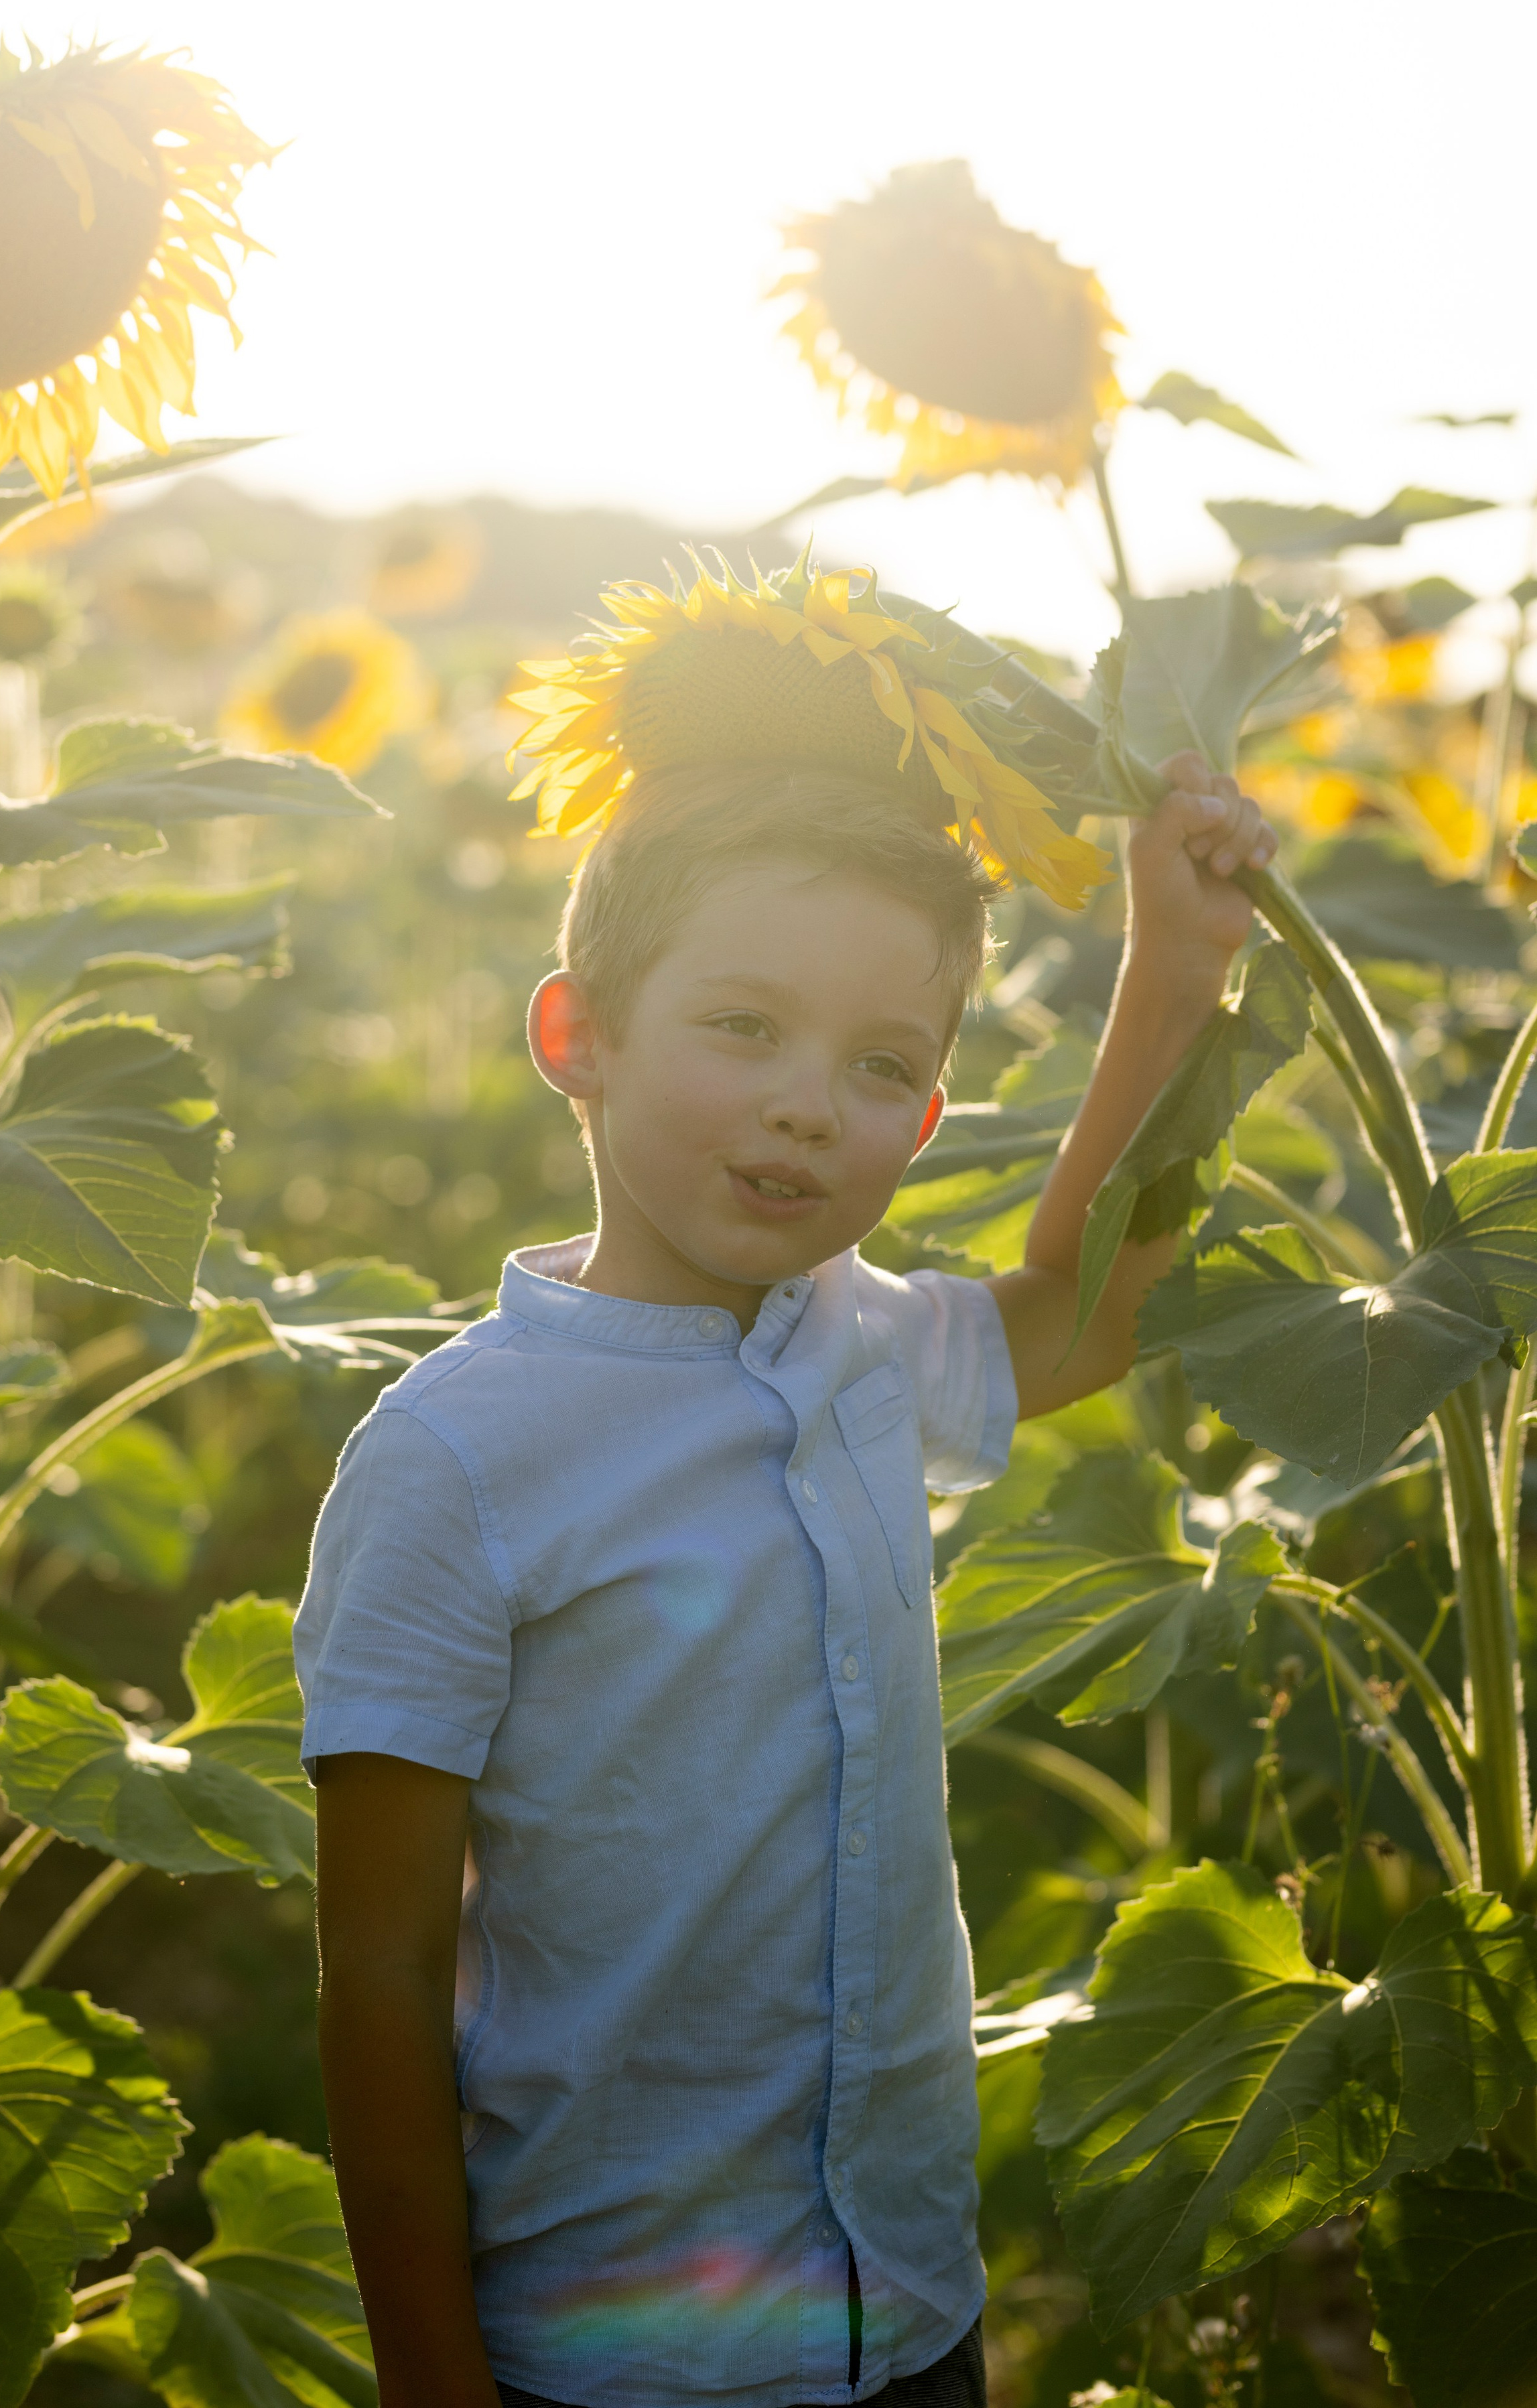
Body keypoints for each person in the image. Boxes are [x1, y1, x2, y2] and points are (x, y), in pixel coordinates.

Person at [295, 560, 1276, 2408]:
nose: (808, 1104)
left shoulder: (863, 1344)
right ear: (578, 1037)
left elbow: (1090, 1303)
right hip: (615, 2346)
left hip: (901, 2301)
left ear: (926, 1118)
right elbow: (381, 1970)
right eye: (743, 1027)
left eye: (879, 1064)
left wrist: (1177, 961)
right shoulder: (452, 1458)